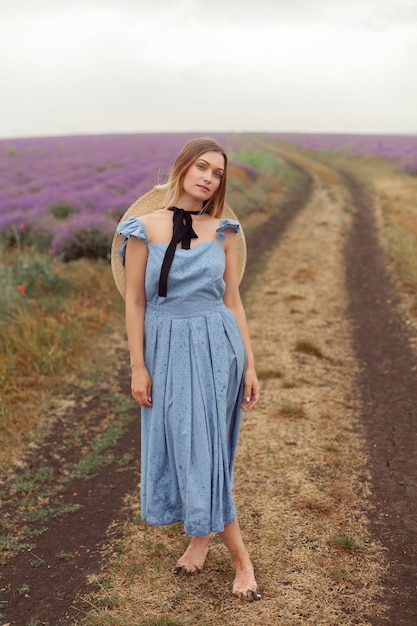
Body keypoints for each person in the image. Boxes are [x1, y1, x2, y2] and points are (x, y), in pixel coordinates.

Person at [112, 137, 261, 601]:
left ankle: (240, 561)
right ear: (181, 167)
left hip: (219, 345)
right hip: (167, 345)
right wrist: (138, 366)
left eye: (217, 173)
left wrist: (251, 364)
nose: (208, 178)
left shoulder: (225, 230)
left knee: (210, 450)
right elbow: (135, 302)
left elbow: (232, 299)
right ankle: (200, 540)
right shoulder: (144, 229)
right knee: (188, 445)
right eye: (202, 167)